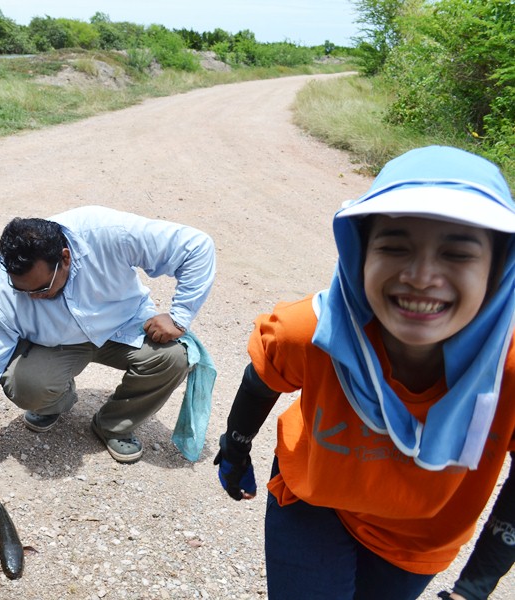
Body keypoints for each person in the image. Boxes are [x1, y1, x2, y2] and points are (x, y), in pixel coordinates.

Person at [213, 146, 515, 600]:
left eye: (457, 254)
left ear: (499, 270)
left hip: (417, 539)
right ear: (359, 255)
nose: (420, 275)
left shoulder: (508, 369)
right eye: (394, 246)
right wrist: (234, 447)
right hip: (315, 499)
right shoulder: (313, 331)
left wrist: (475, 586)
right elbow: (262, 377)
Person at [0, 205, 216, 491]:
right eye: (24, 292)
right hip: (56, 345)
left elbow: (197, 246)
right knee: (25, 384)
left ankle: (113, 424)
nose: (35, 297)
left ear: (65, 258)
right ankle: (56, 401)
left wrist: (179, 316)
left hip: (122, 327)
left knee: (175, 357)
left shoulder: (105, 232)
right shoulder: (1, 294)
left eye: (42, 289)